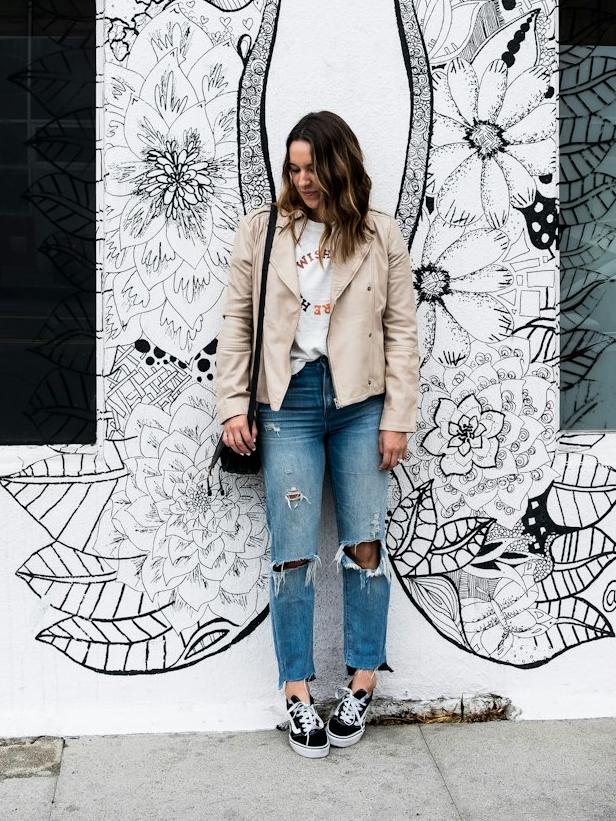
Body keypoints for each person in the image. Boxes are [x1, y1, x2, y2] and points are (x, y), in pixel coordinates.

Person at [216, 110, 420, 758]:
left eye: (313, 167)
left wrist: (398, 418)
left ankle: (361, 681)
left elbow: (403, 331)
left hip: (362, 404)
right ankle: (299, 693)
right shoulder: (263, 232)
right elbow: (238, 321)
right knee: (293, 553)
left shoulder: (379, 234)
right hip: (290, 403)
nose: (303, 180)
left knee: (365, 546)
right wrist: (232, 406)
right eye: (294, 168)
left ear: (340, 165)